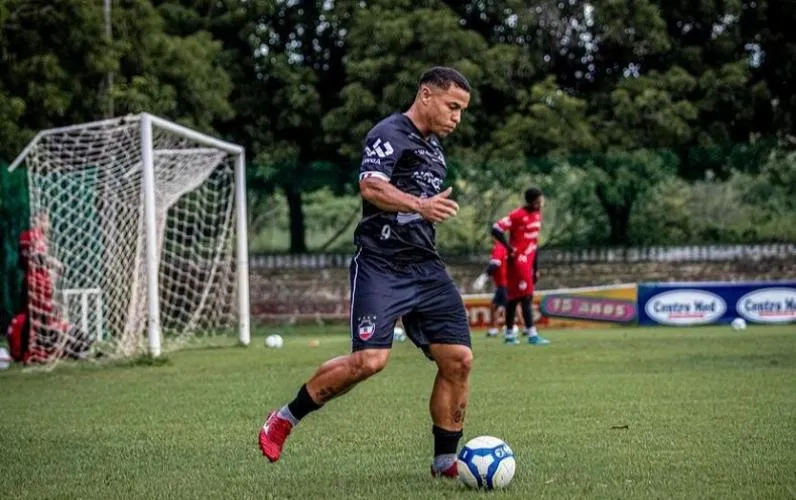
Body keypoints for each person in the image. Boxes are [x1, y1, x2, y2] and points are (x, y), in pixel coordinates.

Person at [258, 67, 474, 479]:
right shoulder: (388, 133)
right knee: (369, 361)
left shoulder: (435, 152)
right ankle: (285, 417)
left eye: (461, 111)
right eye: (452, 107)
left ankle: (445, 461)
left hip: (426, 268)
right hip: (380, 264)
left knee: (459, 359)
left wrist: (425, 214)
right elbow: (372, 187)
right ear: (426, 95)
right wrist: (418, 205)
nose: (456, 118)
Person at [491, 188, 551, 345]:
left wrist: (535, 267)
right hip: (518, 261)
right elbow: (496, 228)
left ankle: (509, 334)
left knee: (513, 298)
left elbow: (534, 243)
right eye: (539, 200)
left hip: (529, 261)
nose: (541, 203)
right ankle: (532, 333)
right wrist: (508, 248)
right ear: (532, 201)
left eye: (542, 200)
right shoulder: (518, 215)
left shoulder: (537, 215)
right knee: (526, 296)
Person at [484, 242, 513, 338]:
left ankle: (511, 328)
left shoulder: (499, 247)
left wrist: (485, 276)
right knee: (495, 306)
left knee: (502, 307)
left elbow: (495, 264)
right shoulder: (503, 247)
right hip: (502, 283)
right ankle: (496, 328)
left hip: (503, 283)